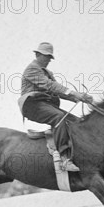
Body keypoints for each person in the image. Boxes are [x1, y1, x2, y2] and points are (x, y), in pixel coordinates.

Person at [18, 42, 93, 172]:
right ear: (37, 54)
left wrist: (79, 98)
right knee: (59, 118)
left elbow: (56, 91)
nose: (48, 60)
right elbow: (50, 86)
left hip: (45, 104)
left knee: (76, 122)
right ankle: (64, 159)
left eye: (49, 57)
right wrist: (74, 93)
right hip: (32, 105)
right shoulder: (32, 69)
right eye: (46, 56)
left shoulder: (47, 72)